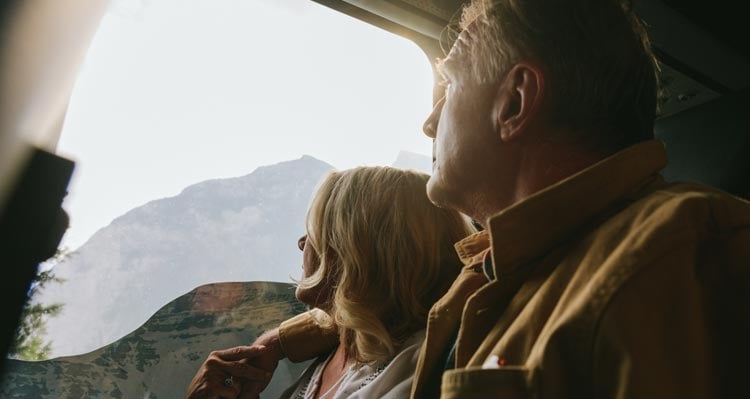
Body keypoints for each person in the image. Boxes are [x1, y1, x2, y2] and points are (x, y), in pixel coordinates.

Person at [201, 0, 750, 397]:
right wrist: (277, 340)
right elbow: (369, 305)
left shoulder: (684, 253)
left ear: (514, 102)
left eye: (450, 88)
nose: (427, 122)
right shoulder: (498, 274)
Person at [185, 167, 474, 399]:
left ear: (352, 249)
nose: (301, 243)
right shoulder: (344, 347)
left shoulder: (412, 373)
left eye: (315, 230)